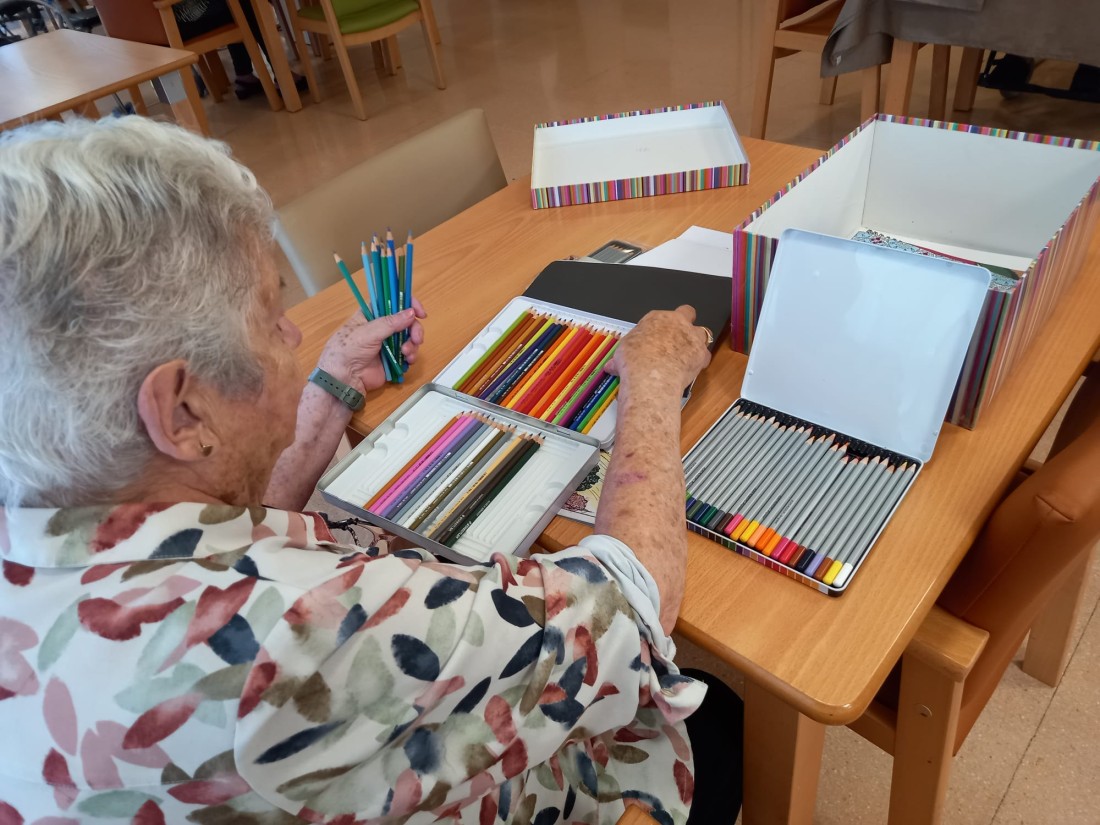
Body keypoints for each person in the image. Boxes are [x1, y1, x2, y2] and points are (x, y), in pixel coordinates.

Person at [0, 117, 742, 824]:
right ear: (183, 412)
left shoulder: (45, 528)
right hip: (536, 785)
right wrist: (651, 380)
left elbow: (201, 526)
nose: (294, 334)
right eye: (270, 317)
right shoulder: (289, 633)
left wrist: (325, 397)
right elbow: (632, 601)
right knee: (723, 710)